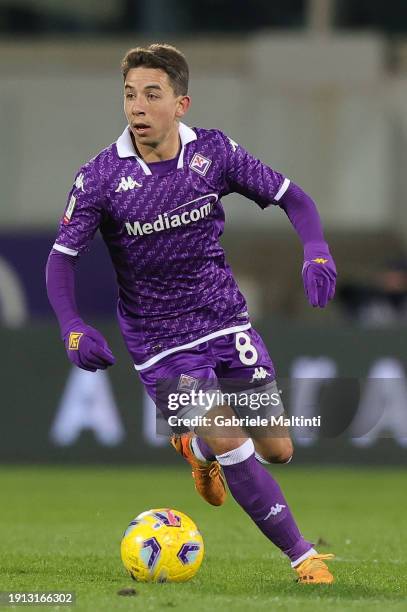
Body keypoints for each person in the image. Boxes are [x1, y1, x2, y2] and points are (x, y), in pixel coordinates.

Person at [46, 43, 337, 584]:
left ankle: (194, 447)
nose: (137, 107)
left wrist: (316, 248)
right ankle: (304, 558)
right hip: (160, 340)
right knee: (233, 439)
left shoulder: (214, 154)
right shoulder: (101, 177)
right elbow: (61, 260)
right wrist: (72, 326)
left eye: (151, 94)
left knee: (278, 449)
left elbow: (293, 198)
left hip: (224, 319)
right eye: (130, 94)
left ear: (181, 103)